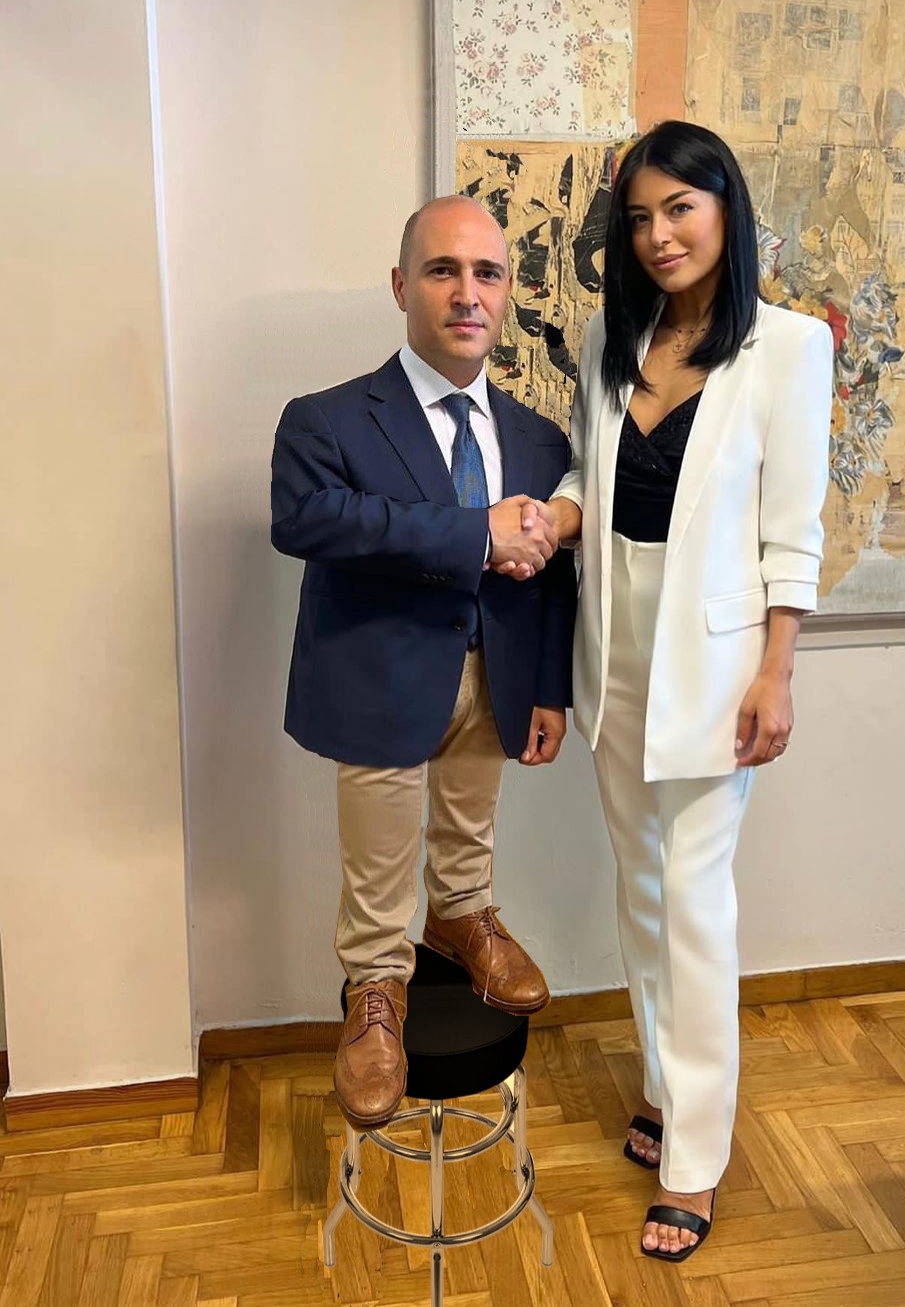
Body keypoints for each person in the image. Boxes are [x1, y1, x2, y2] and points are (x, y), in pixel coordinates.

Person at [532, 121, 832, 1260]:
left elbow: (793, 529)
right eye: (641, 218)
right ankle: (664, 1082)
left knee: (698, 903)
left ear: (724, 212)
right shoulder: (614, 336)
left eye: (680, 210)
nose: (659, 235)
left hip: (717, 663)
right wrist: (558, 513)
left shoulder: (789, 348)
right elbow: (589, 470)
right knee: (644, 890)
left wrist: (776, 669)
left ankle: (696, 1157)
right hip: (613, 646)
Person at [271, 196, 577, 1133]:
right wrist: (475, 533)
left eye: (487, 273)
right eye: (444, 270)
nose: (466, 293)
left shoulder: (538, 437)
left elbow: (554, 574)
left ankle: (463, 916)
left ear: (508, 292)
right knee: (378, 866)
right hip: (381, 687)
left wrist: (550, 688)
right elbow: (310, 519)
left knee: (469, 830)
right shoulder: (327, 420)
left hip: (497, 680)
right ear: (404, 286)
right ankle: (375, 988)